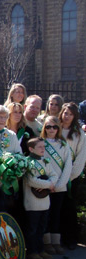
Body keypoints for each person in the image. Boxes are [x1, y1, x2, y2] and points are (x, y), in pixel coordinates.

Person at [40, 117, 72, 256]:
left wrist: (59, 184)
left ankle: (56, 241)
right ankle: (47, 242)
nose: (51, 129)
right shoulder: (41, 143)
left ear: (58, 129)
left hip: (59, 186)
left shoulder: (63, 145)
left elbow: (67, 166)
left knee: (56, 214)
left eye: (54, 127)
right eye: (48, 127)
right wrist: (48, 184)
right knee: (45, 215)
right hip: (45, 186)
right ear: (44, 128)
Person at [24, 138, 58, 259]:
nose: (43, 149)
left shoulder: (46, 161)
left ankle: (40, 249)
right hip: (32, 202)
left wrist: (48, 184)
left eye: (44, 147)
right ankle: (32, 251)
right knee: (32, 229)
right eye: (40, 147)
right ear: (31, 149)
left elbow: (54, 175)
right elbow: (31, 181)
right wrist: (49, 184)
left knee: (42, 228)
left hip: (45, 201)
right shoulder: (27, 162)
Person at [59, 103, 86, 249]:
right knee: (57, 208)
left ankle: (70, 238)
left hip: (71, 177)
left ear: (75, 116)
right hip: (55, 175)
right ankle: (57, 239)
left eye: (70, 114)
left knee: (69, 207)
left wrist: (70, 176)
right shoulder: (54, 129)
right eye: (65, 113)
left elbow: (81, 156)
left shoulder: (79, 133)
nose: (67, 116)